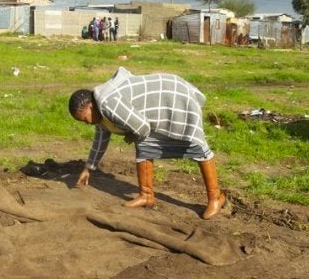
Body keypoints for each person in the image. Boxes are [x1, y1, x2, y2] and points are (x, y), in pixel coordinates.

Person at [68, 67, 226, 219]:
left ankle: (216, 197)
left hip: (173, 97)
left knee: (194, 145)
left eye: (85, 118)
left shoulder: (108, 104)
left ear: (90, 106)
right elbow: (100, 139)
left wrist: (130, 135)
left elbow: (142, 127)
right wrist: (88, 168)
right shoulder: (98, 113)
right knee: (144, 145)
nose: (87, 123)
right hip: (156, 106)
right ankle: (147, 195)